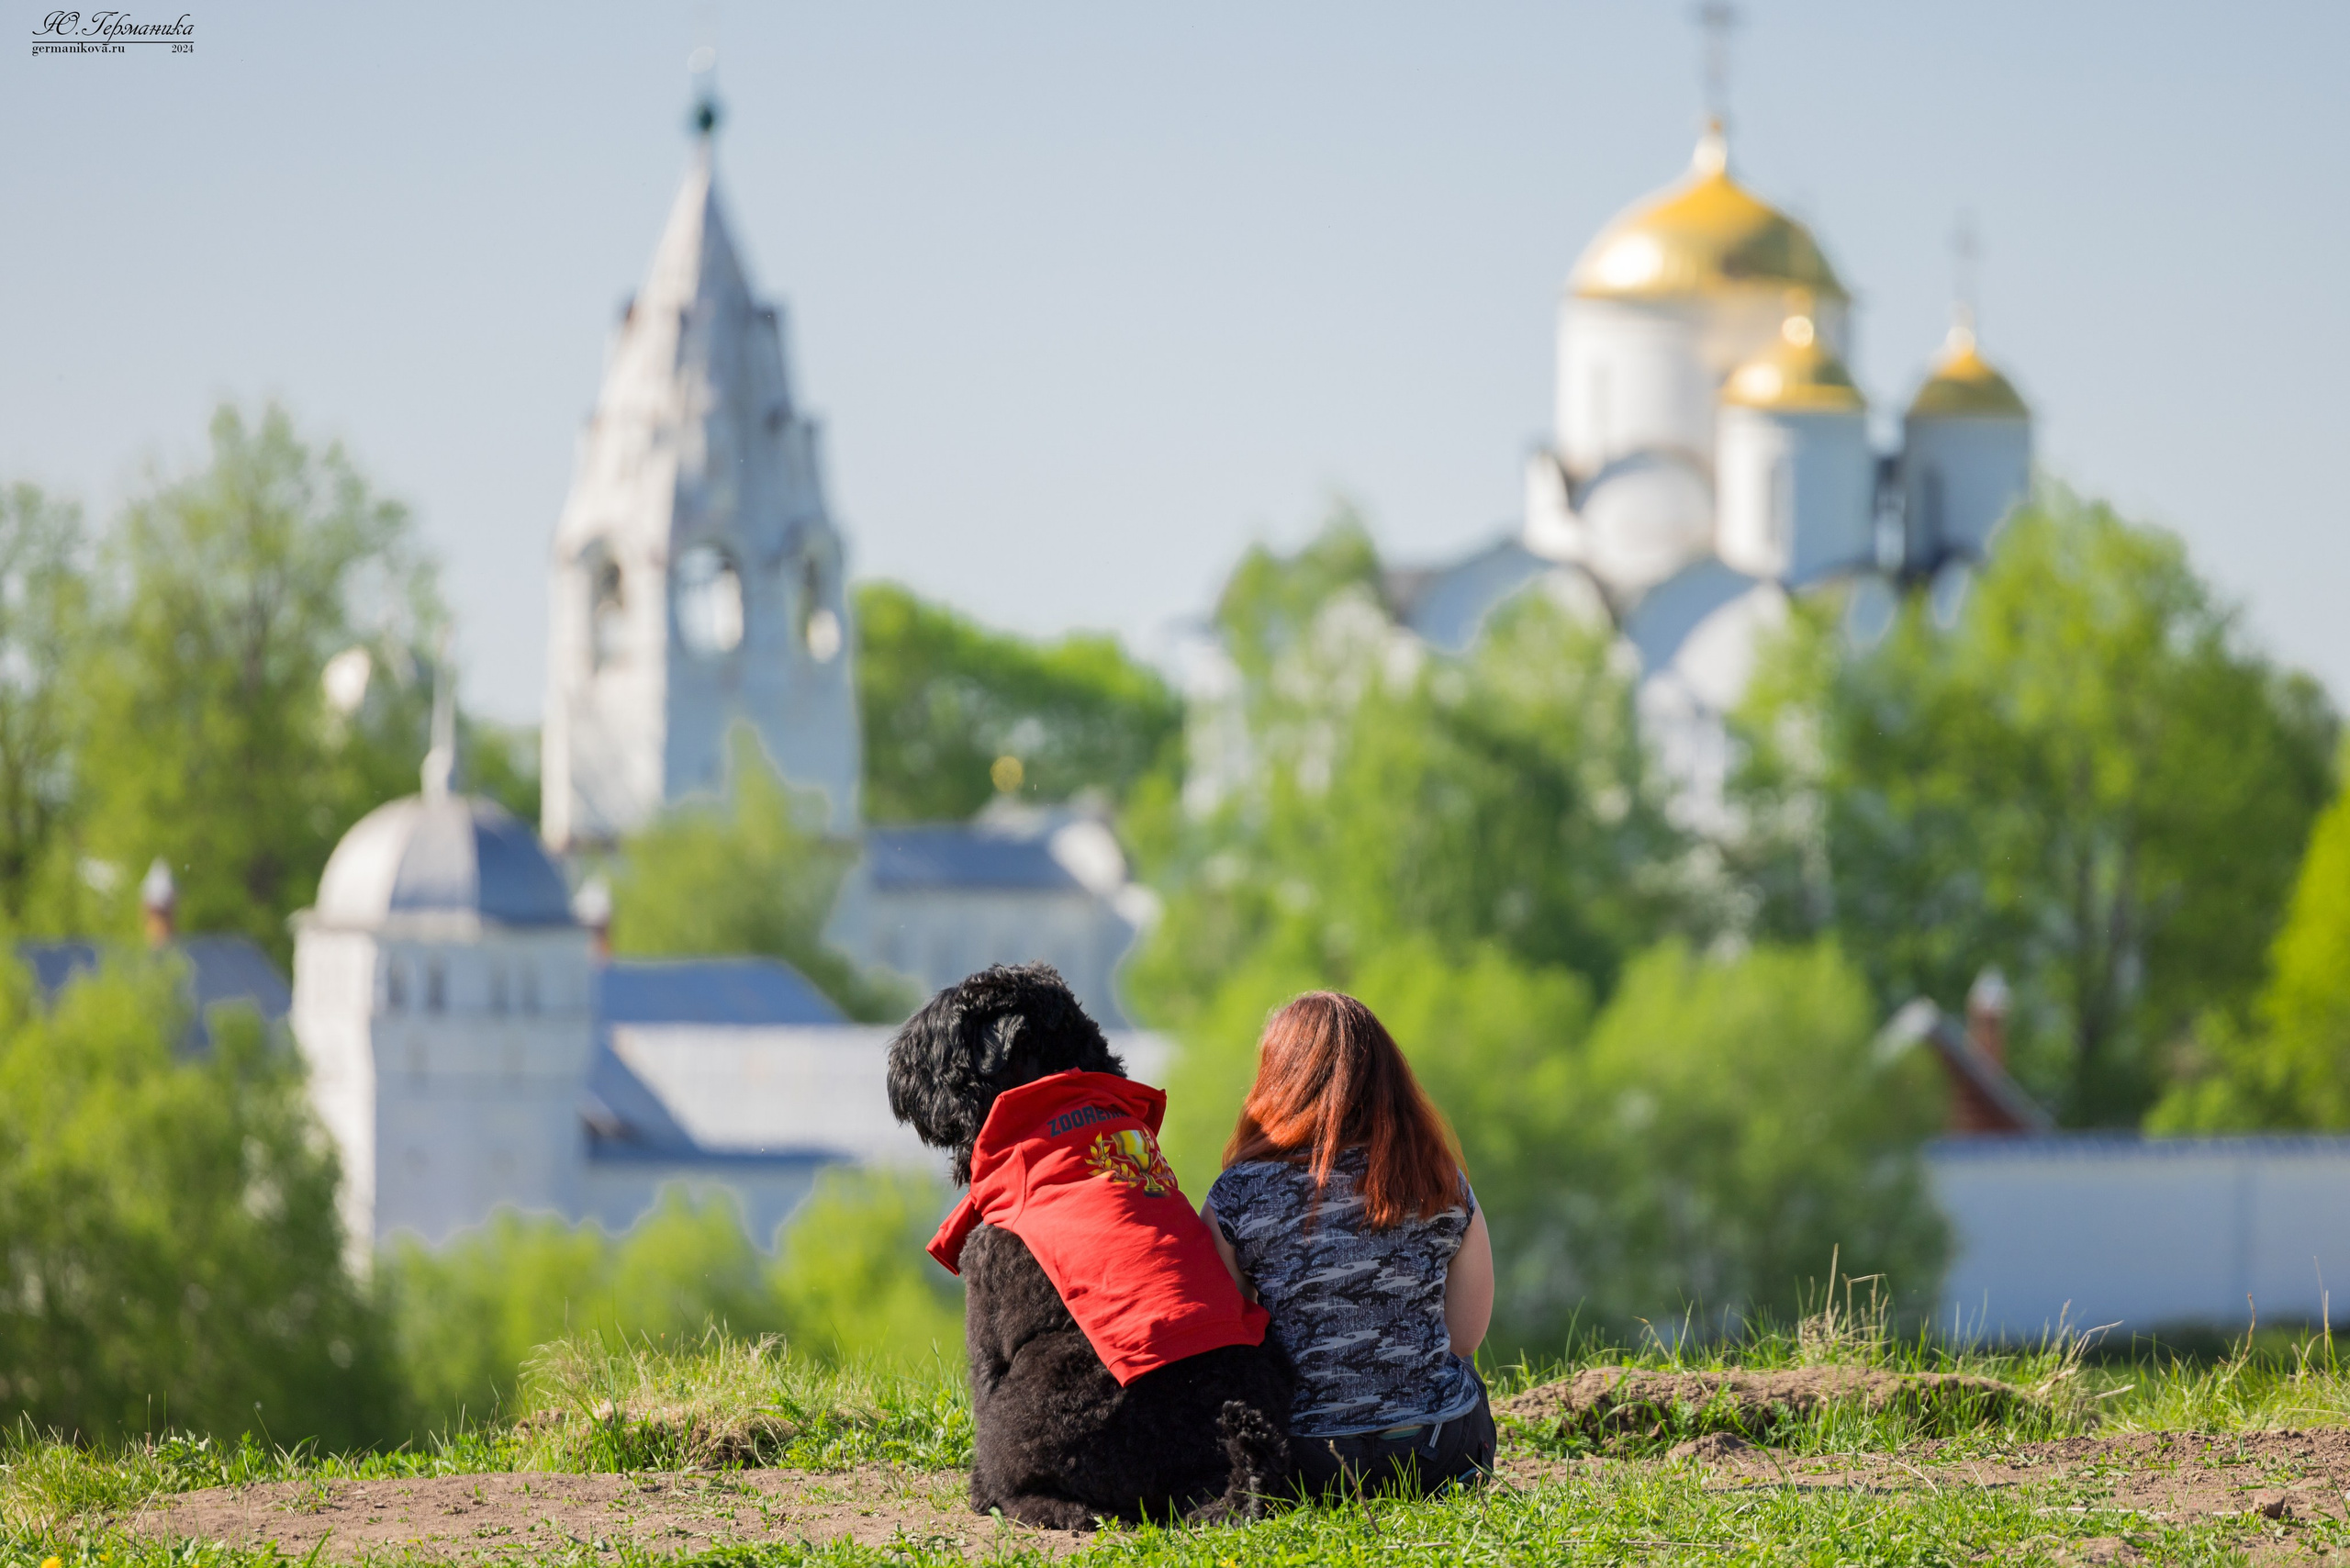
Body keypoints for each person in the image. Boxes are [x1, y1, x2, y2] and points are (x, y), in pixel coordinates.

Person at [1201, 991, 1496, 1500]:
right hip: (1439, 1454)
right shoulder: (1440, 1178)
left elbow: (1223, 1345)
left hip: (1308, 1466)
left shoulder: (1239, 1192)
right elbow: (1465, 1337)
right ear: (1389, 1079)